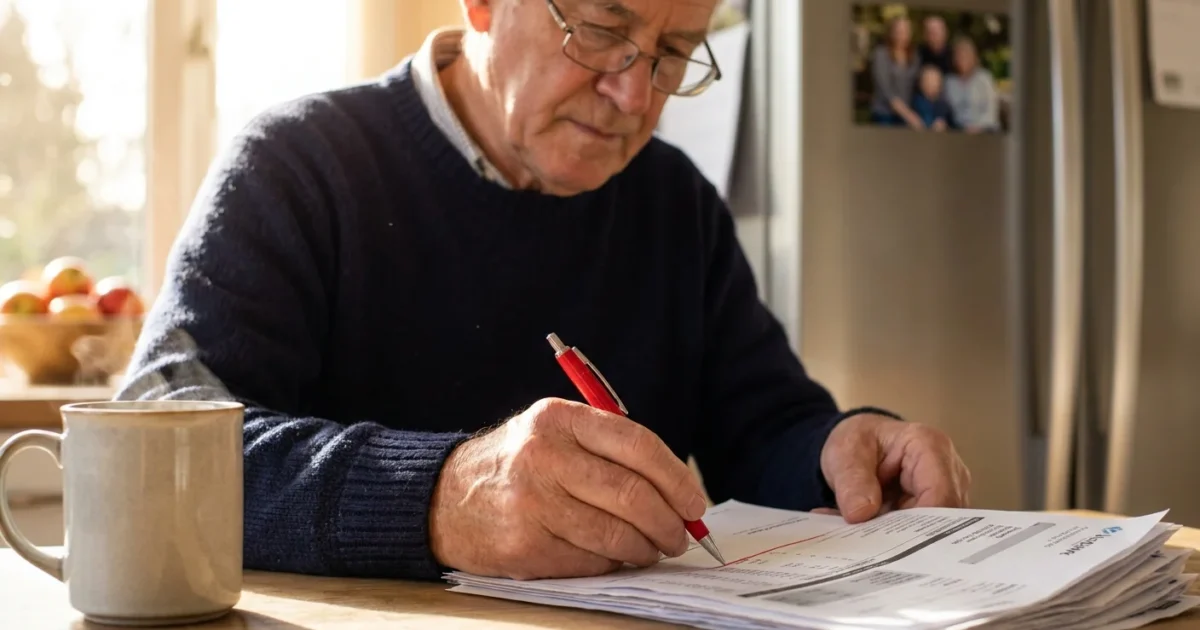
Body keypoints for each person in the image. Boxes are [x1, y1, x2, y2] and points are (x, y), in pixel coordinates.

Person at [118, 0, 971, 582]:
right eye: (602, 30)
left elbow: (767, 424)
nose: (634, 95)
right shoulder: (296, 168)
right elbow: (148, 460)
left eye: (674, 54)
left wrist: (842, 446)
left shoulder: (674, 203)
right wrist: (441, 498)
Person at [869, 15, 924, 129]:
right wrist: (908, 115)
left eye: (905, 31)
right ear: (892, 32)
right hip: (884, 113)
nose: (902, 35)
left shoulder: (915, 56)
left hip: (907, 113)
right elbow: (886, 91)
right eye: (898, 31)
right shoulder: (880, 54)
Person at [944, 35, 1000, 133]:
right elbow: (948, 112)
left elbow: (991, 111)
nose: (962, 60)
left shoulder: (984, 78)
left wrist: (977, 127)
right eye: (959, 56)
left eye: (966, 56)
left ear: (973, 57)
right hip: (959, 130)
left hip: (985, 129)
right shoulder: (949, 81)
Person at [912, 65, 954, 131]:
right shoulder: (916, 102)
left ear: (940, 84)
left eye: (934, 81)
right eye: (927, 80)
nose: (930, 84)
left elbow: (950, 122)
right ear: (920, 83)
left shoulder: (944, 105)